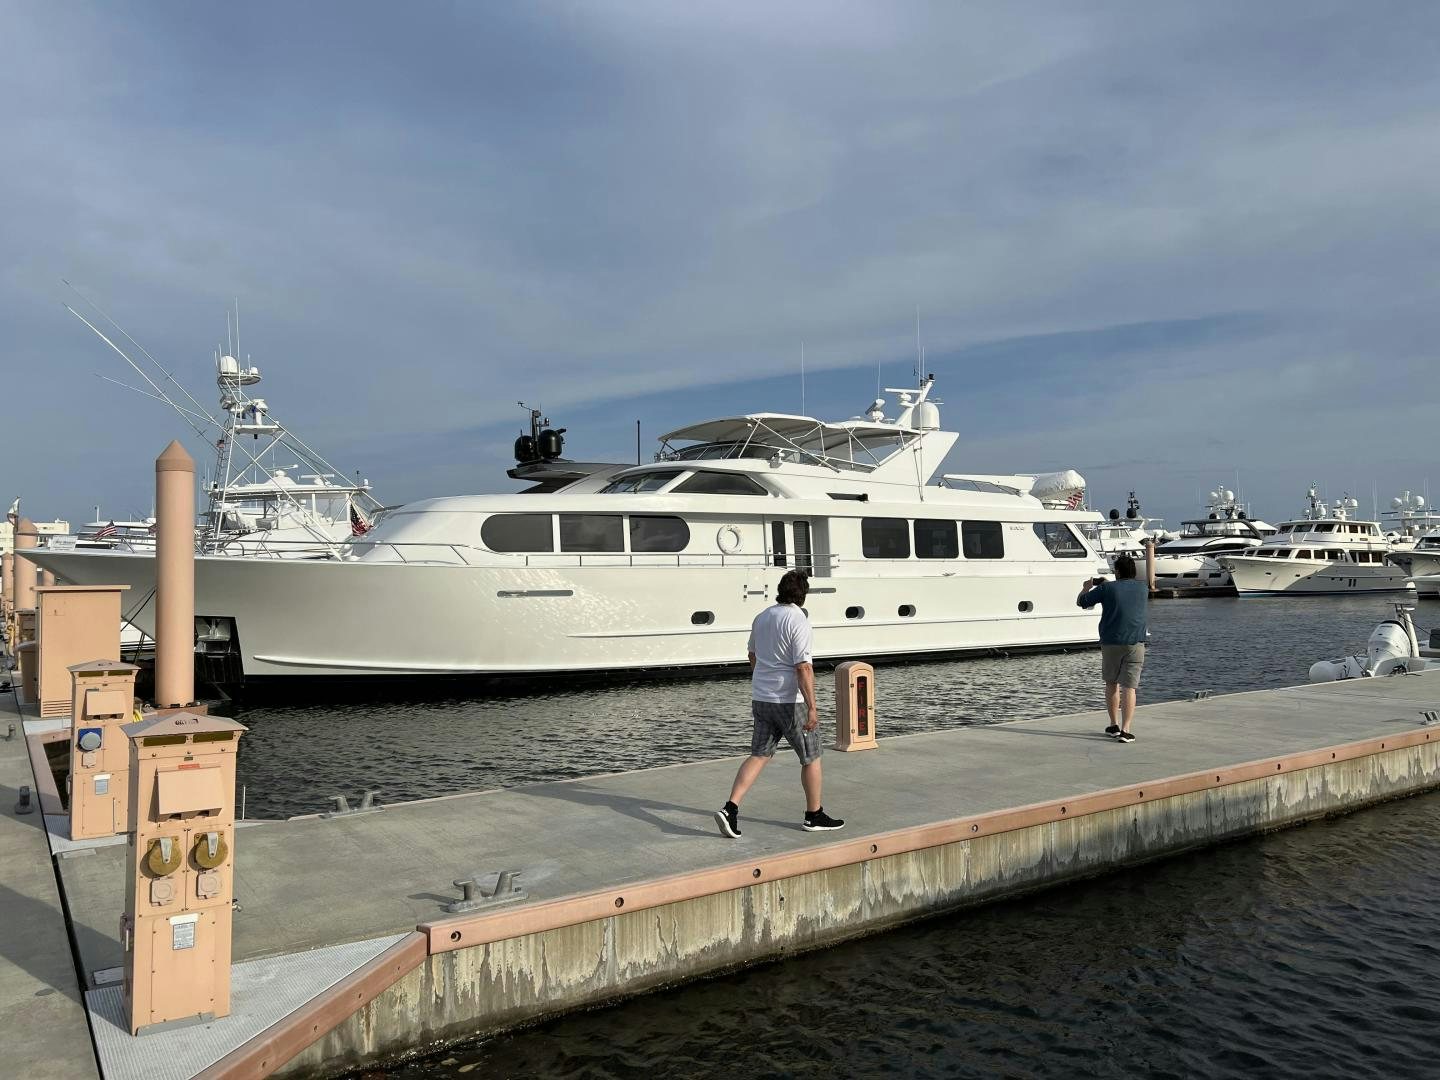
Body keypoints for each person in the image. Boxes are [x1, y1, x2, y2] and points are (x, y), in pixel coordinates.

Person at [715, 569, 845, 838]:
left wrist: (763, 678)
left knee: (760, 754)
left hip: (762, 698)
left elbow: (752, 654)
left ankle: (730, 808)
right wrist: (812, 706)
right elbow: (803, 667)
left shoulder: (762, 617)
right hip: (789, 702)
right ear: (803, 595)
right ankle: (814, 815)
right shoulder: (798, 620)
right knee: (812, 757)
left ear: (780, 590)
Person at [1076, 543, 1152, 743]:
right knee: (1130, 687)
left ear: (1116, 571)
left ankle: (1113, 725)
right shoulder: (1143, 588)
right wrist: (1106, 584)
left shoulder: (1106, 588)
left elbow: (1082, 602)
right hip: (1136, 643)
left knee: (1112, 683)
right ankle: (1126, 730)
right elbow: (1124, 589)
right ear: (1134, 572)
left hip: (1111, 642)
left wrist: (1087, 587)